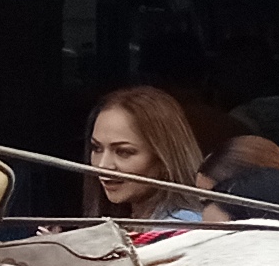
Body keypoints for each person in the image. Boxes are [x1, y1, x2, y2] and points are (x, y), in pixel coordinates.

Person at [88, 86, 216, 226]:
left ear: (164, 158)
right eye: (97, 148)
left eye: (124, 152)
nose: (103, 166)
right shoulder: (132, 218)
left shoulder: (179, 229)